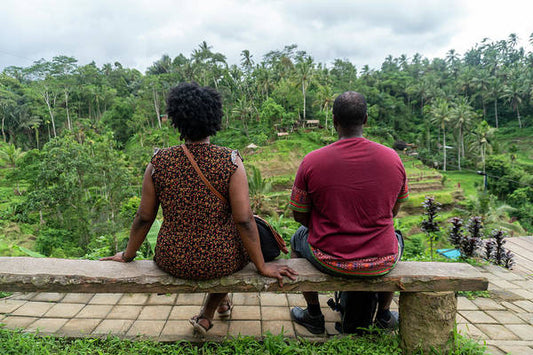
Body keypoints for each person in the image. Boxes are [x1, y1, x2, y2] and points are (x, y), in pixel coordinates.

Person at [101, 82, 297, 335]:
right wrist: (262, 266)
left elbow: (144, 217)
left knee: (226, 243)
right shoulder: (230, 161)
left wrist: (127, 255)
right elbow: (244, 220)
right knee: (233, 242)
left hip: (172, 259)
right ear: (214, 119)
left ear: (176, 120)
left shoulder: (158, 162)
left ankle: (218, 306)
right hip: (221, 259)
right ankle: (213, 308)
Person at [288, 91, 408, 334]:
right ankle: (384, 315)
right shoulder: (392, 158)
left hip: (329, 257)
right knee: (398, 237)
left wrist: (326, 228)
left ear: (334, 121)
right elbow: (394, 210)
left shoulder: (312, 161)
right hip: (381, 259)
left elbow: (299, 214)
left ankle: (313, 314)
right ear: (365, 120)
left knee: (296, 238)